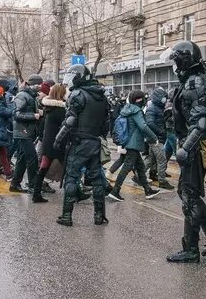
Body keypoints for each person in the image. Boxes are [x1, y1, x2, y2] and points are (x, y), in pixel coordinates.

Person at [164, 41, 206, 263]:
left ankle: (193, 248)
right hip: (194, 147)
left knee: (189, 195)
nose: (174, 65)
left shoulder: (195, 84)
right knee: (186, 193)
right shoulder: (194, 82)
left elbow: (200, 123)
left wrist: (185, 148)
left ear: (184, 61)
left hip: (194, 148)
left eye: (175, 60)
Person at [54, 64, 110, 226]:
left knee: (71, 177)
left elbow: (70, 120)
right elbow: (106, 124)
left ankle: (67, 216)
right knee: (97, 180)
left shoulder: (78, 94)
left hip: (79, 142)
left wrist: (58, 139)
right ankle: (99, 216)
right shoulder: (100, 96)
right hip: (95, 141)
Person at [109, 90, 162, 201]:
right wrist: (154, 137)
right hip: (133, 143)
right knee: (126, 167)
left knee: (140, 168)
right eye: (143, 98)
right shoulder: (137, 111)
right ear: (139, 100)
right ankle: (115, 191)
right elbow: (143, 126)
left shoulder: (127, 109)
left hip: (129, 142)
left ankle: (147, 190)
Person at [30, 84, 66, 199]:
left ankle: (36, 193)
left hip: (47, 142)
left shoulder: (48, 108)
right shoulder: (60, 110)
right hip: (58, 143)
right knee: (69, 168)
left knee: (43, 168)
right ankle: (76, 192)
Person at [9, 75, 43, 197]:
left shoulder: (30, 96)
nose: (39, 88)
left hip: (26, 131)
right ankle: (33, 185)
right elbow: (16, 114)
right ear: (31, 84)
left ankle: (15, 184)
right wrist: (34, 115)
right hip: (22, 132)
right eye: (38, 85)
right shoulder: (22, 96)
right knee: (32, 158)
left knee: (23, 158)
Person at [144, 87, 172, 190]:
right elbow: (150, 123)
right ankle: (162, 181)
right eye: (163, 98)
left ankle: (139, 176)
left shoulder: (158, 108)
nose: (165, 100)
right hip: (155, 139)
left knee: (151, 159)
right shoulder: (152, 108)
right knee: (162, 160)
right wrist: (160, 132)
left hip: (155, 138)